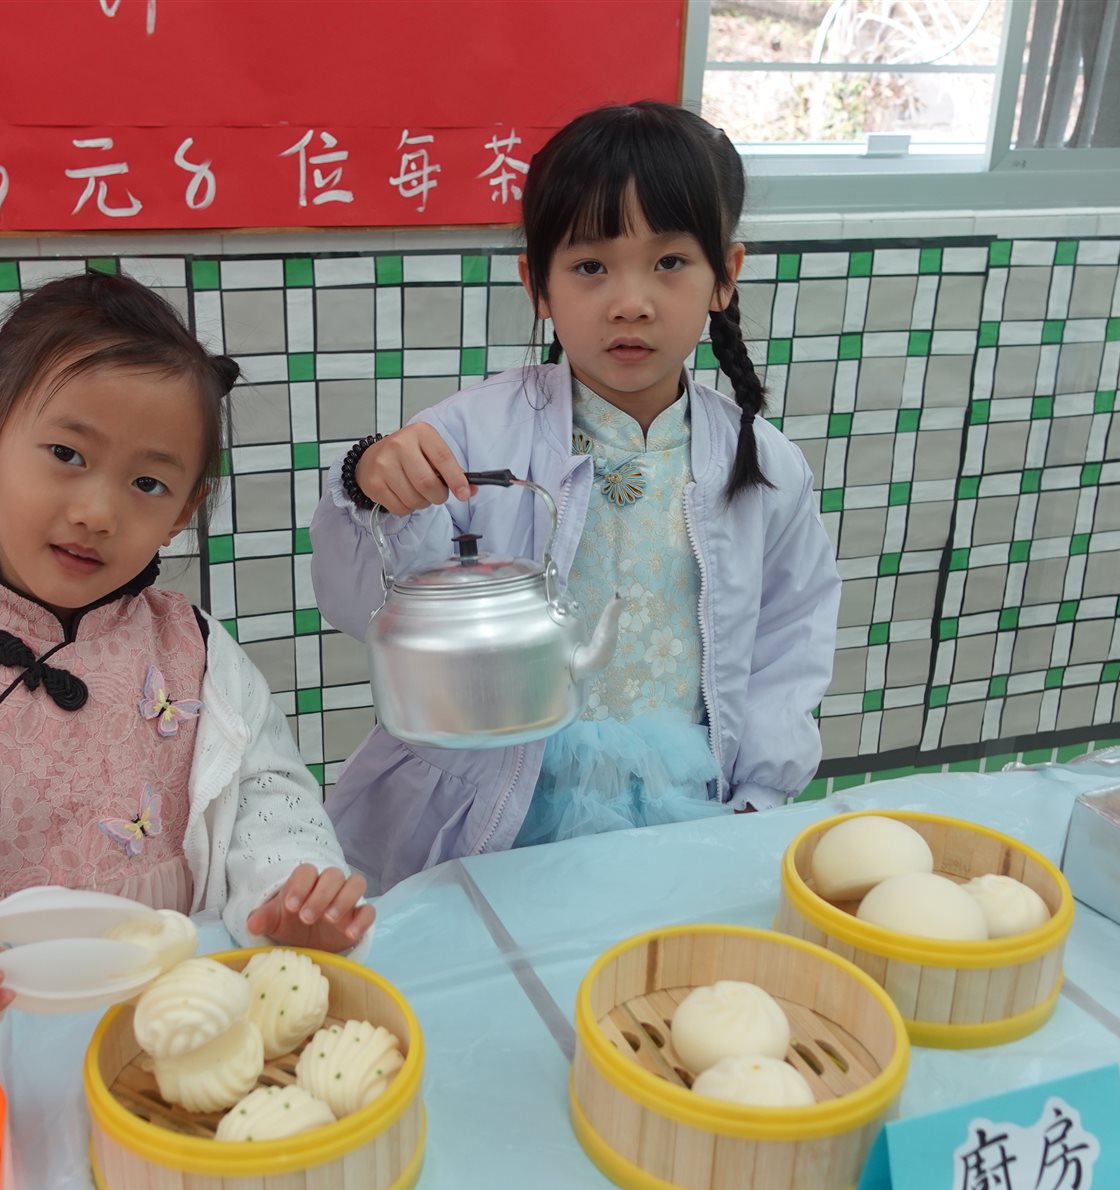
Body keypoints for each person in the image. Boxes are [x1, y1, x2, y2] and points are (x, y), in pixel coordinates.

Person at [0, 272, 370, 1038]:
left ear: (184, 509)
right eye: (67, 453)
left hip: (175, 1003)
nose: (98, 512)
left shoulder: (198, 651)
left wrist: (288, 893)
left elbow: (267, 796)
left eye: (147, 482)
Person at [311, 101, 840, 889]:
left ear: (725, 276)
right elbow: (366, 604)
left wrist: (761, 793)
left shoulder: (764, 465)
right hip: (492, 812)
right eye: (591, 266)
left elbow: (789, 641)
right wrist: (371, 485)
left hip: (684, 803)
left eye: (670, 262)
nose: (631, 301)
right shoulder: (468, 436)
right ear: (538, 284)